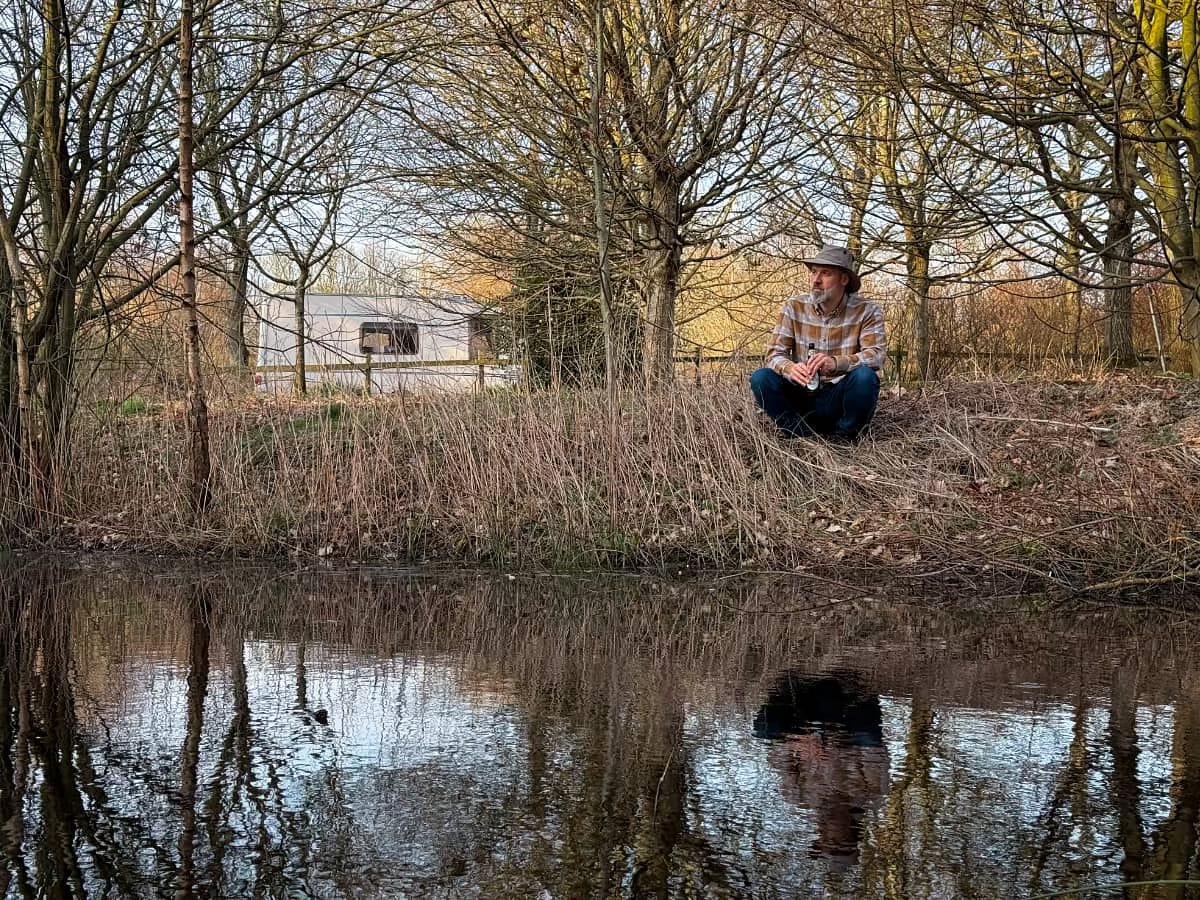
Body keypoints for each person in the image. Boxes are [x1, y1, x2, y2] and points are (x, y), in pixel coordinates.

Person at [753, 668, 890, 868]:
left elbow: (777, 758)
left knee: (763, 730)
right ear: (850, 835)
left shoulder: (798, 797)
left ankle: (794, 686)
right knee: (867, 734)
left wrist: (797, 744)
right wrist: (841, 743)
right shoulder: (872, 796)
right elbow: (875, 753)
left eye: (821, 839)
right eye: (832, 841)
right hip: (846, 725)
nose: (823, 832)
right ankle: (849, 684)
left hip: (805, 730)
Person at [750, 245, 886, 441]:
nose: (816, 280)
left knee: (865, 377)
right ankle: (798, 434)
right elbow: (774, 354)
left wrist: (835, 363)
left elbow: (876, 355)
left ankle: (845, 436)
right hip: (801, 393)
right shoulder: (794, 306)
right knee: (761, 378)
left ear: (844, 279)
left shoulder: (867, 311)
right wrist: (790, 368)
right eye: (813, 272)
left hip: (839, 396)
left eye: (826, 273)